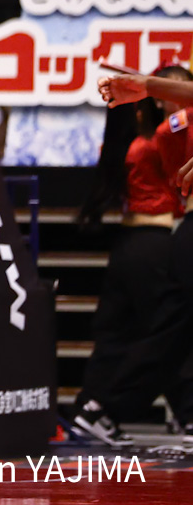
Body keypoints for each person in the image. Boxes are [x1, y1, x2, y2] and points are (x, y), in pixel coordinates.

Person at [74, 64, 193, 446]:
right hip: (156, 237)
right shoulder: (168, 130)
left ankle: (93, 407)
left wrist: (147, 87)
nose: (174, 97)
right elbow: (176, 171)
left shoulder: (143, 136)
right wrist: (150, 88)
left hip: (136, 240)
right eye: (172, 90)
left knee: (142, 331)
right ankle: (179, 414)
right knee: (169, 331)